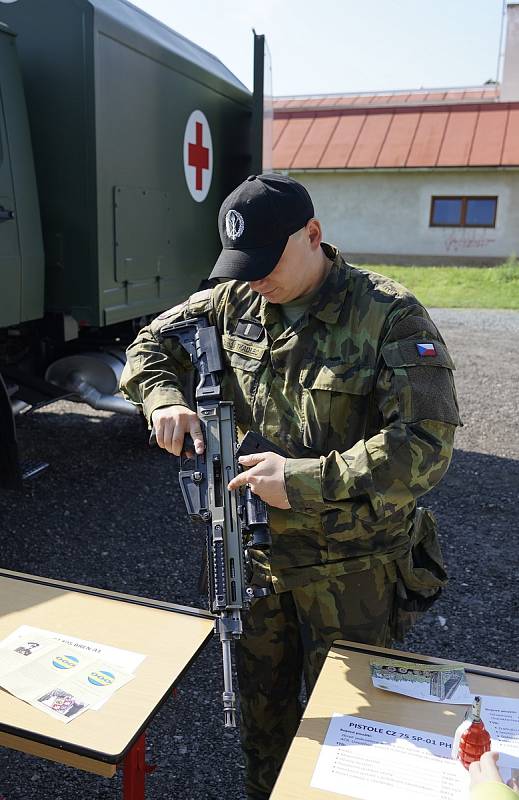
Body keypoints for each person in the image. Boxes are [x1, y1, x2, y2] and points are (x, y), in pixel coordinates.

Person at [120, 173, 461, 800]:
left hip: (352, 574)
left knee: (364, 737)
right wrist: (164, 397)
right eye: (240, 265)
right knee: (266, 732)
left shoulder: (389, 314)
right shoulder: (237, 298)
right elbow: (148, 344)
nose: (255, 280)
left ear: (314, 234)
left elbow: (425, 446)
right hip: (257, 564)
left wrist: (303, 481)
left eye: (267, 261)